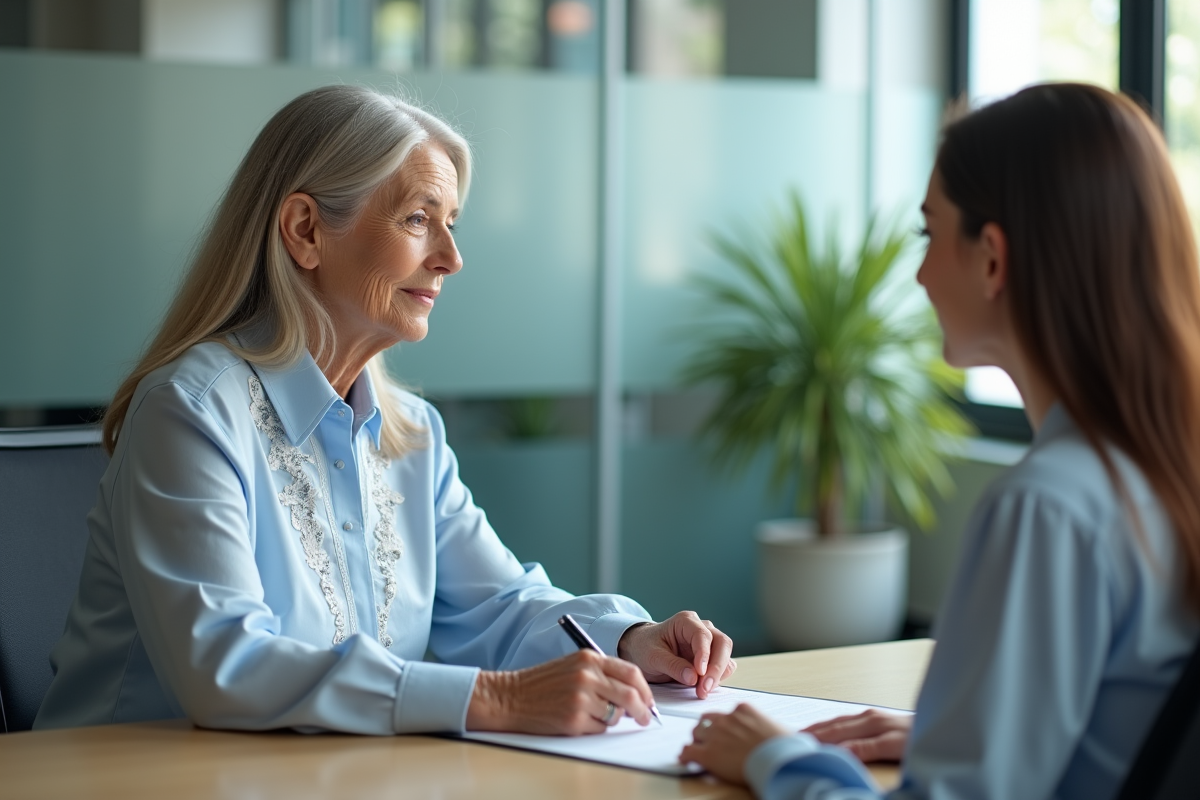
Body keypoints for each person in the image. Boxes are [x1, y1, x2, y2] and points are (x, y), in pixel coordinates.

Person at [34, 85, 734, 736]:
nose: (451, 258)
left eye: (450, 224)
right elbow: (224, 664)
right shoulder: (189, 411)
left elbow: (496, 605)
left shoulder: (412, 434)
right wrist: (496, 700)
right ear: (305, 230)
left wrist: (630, 640)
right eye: (419, 219)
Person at [679, 82, 1200, 798]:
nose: (920, 274)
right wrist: (951, 735)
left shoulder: (1047, 507)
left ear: (992, 258)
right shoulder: (1163, 471)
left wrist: (778, 760)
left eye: (929, 234)